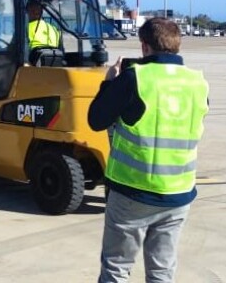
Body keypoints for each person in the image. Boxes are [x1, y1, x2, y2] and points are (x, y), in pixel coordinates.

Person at [88, 17, 209, 283]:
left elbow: (96, 120)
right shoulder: (198, 83)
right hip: (178, 192)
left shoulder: (135, 79)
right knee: (162, 272)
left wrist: (109, 83)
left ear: (144, 47)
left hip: (133, 191)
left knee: (116, 269)